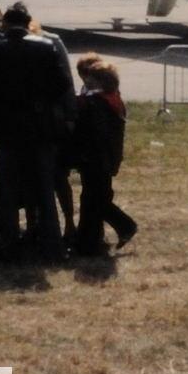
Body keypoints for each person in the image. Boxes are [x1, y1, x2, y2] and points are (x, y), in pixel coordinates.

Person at [0, 2, 72, 260]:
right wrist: (41, 101)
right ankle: (52, 243)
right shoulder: (45, 48)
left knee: (8, 188)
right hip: (40, 125)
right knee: (44, 186)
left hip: (9, 128)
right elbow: (62, 83)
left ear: (5, 24)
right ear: (28, 21)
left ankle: (9, 241)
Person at [72, 55, 136, 256]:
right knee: (96, 197)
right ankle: (87, 241)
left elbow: (94, 133)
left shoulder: (96, 104)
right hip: (108, 157)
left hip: (95, 157)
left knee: (94, 200)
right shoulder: (114, 100)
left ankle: (124, 225)